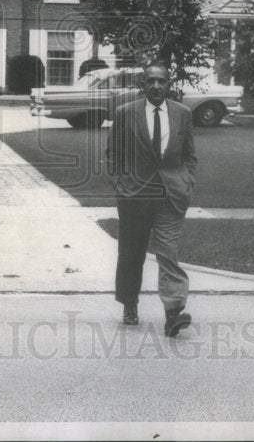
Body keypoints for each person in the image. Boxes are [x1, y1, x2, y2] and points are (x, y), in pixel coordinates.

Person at [105, 59, 197, 337]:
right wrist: (121, 184)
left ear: (169, 84)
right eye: (151, 81)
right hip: (135, 195)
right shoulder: (125, 113)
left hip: (171, 195)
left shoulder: (182, 114)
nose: (156, 85)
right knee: (132, 254)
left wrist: (186, 181)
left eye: (162, 81)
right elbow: (113, 154)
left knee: (168, 253)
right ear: (142, 84)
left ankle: (173, 313)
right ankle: (129, 304)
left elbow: (189, 155)